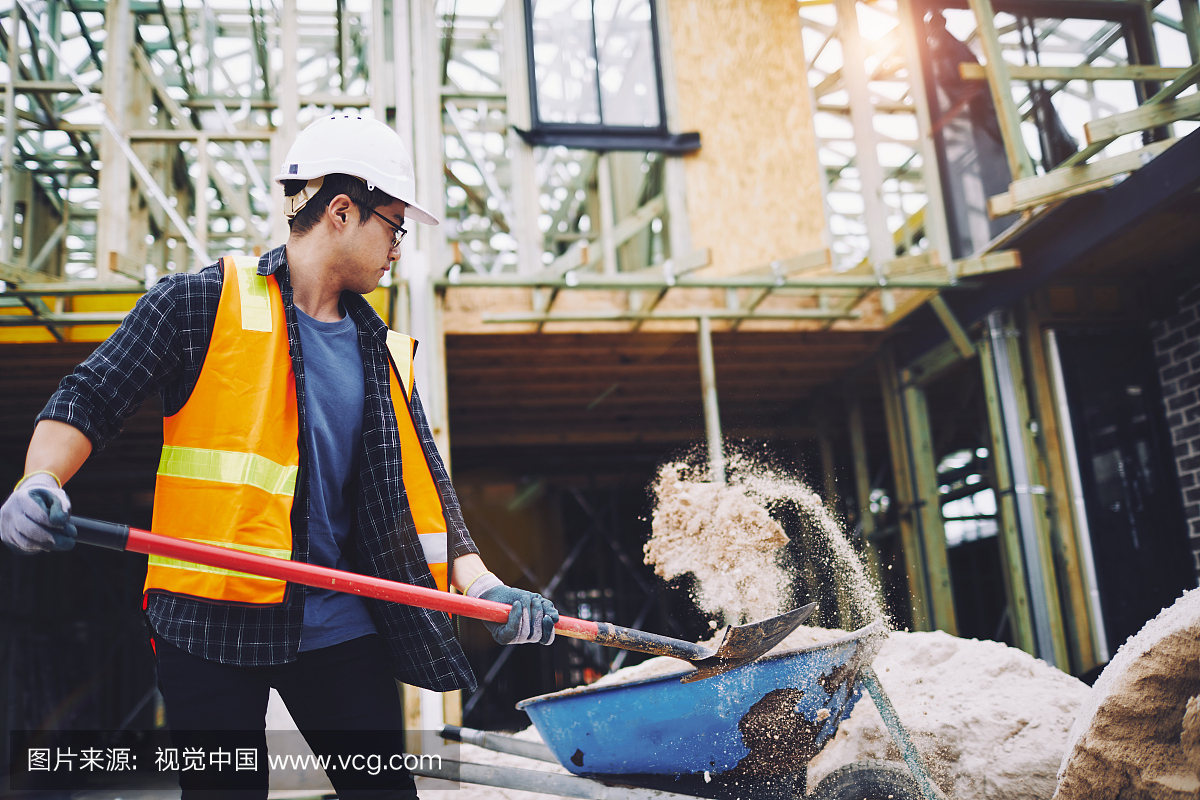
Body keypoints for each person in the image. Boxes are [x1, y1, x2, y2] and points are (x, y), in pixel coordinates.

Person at [0, 114, 558, 799]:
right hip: (206, 620)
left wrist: (484, 591)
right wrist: (40, 478)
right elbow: (92, 394)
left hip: (340, 626)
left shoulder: (380, 352)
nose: (398, 249)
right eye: (394, 226)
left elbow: (428, 498)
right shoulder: (200, 304)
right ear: (342, 211)